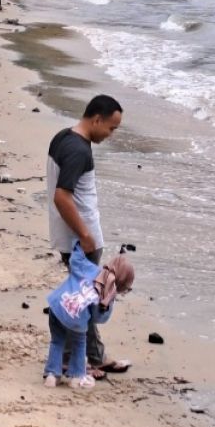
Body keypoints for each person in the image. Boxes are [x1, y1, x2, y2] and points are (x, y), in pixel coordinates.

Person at [46, 94, 131, 379]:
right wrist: (85, 235)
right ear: (96, 119)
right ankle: (73, 361)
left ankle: (92, 356)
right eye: (111, 128)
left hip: (75, 235)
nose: (111, 134)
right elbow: (62, 196)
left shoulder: (63, 137)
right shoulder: (78, 151)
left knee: (86, 296)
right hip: (81, 239)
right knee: (84, 299)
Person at [43, 247, 134, 388]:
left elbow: (75, 260)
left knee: (57, 342)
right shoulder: (109, 293)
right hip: (76, 317)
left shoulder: (90, 268)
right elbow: (99, 318)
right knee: (79, 345)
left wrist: (78, 244)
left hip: (58, 305)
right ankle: (76, 377)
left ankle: (52, 375)